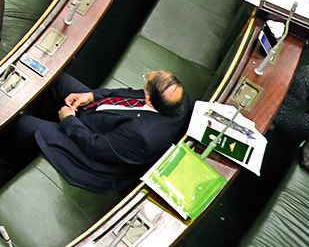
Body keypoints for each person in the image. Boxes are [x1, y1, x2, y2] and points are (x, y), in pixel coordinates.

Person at [20, 69, 187, 191]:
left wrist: (69, 120)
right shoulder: (178, 98)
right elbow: (129, 94)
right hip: (100, 114)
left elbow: (96, 147)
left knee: (25, 124)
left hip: (93, 153)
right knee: (56, 78)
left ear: (149, 98)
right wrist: (92, 96)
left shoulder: (141, 136)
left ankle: (5, 157)